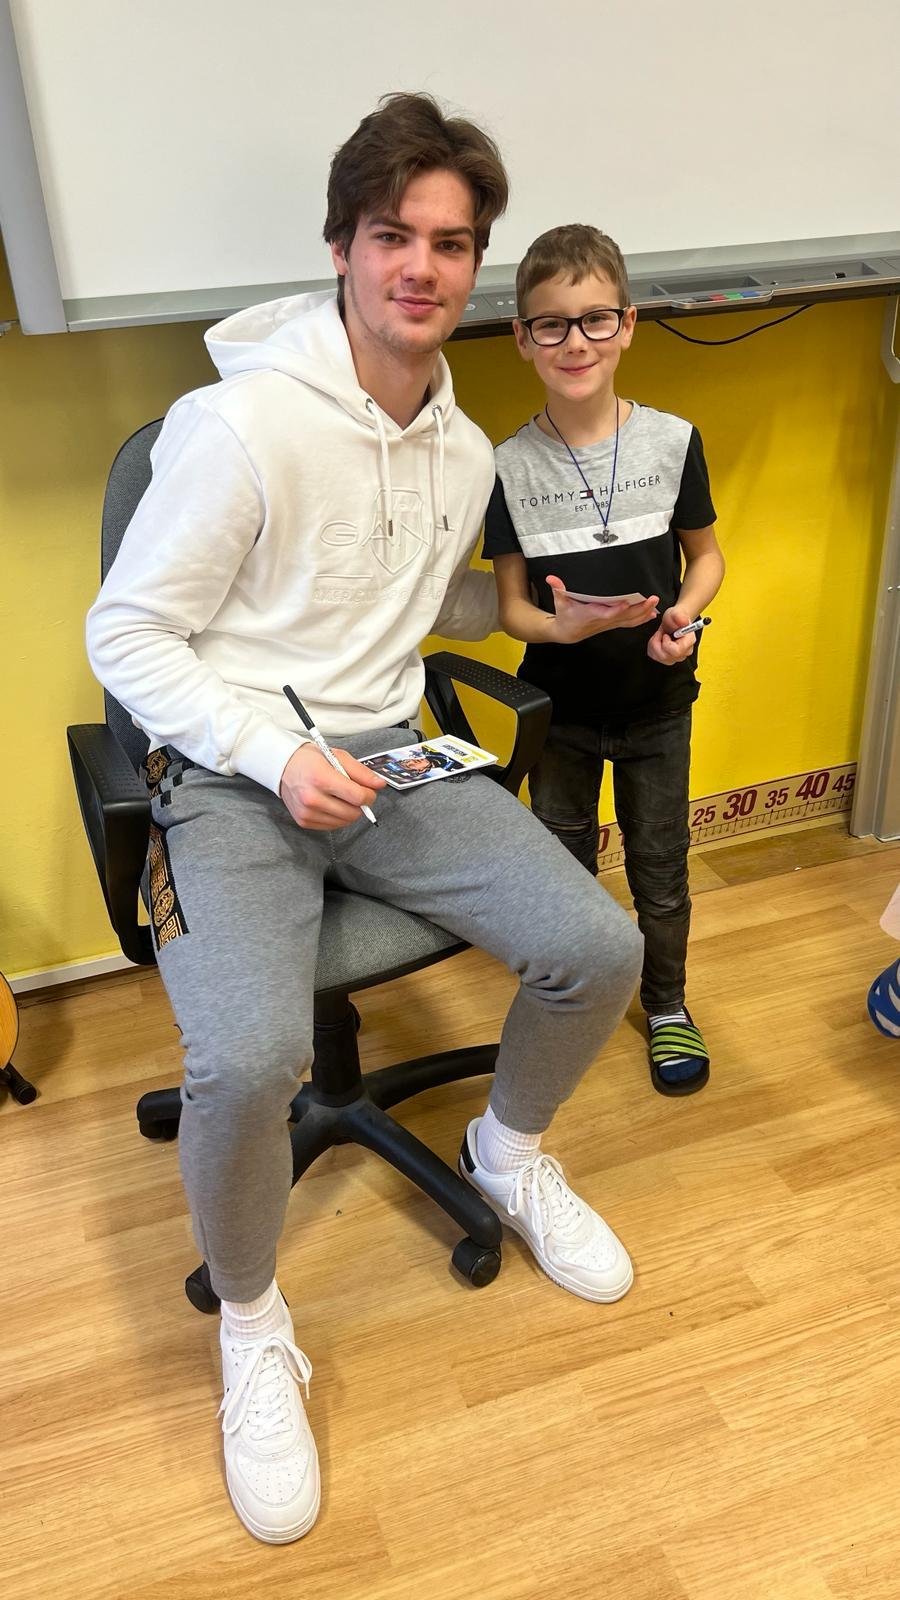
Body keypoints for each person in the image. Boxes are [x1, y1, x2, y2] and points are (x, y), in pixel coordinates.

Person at [86, 101, 644, 1545]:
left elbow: (393, 598)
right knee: (248, 1058)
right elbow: (127, 637)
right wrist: (272, 754)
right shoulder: (239, 426)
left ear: (476, 266)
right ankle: (252, 1323)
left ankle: (507, 1154)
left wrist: (537, 612)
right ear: (341, 245)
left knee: (600, 948)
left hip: (388, 755)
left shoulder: (460, 452)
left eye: (452, 244)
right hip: (232, 773)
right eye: (394, 235)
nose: (422, 267)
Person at [484, 224, 726, 1097]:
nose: (574, 342)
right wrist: (563, 631)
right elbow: (513, 607)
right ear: (523, 338)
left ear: (626, 325)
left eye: (594, 320)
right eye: (551, 324)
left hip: (659, 703)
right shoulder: (505, 467)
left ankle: (667, 1006)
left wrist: (684, 618)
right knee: (563, 870)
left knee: (662, 868)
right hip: (560, 712)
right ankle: (572, 1004)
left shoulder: (672, 441)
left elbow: (706, 559)